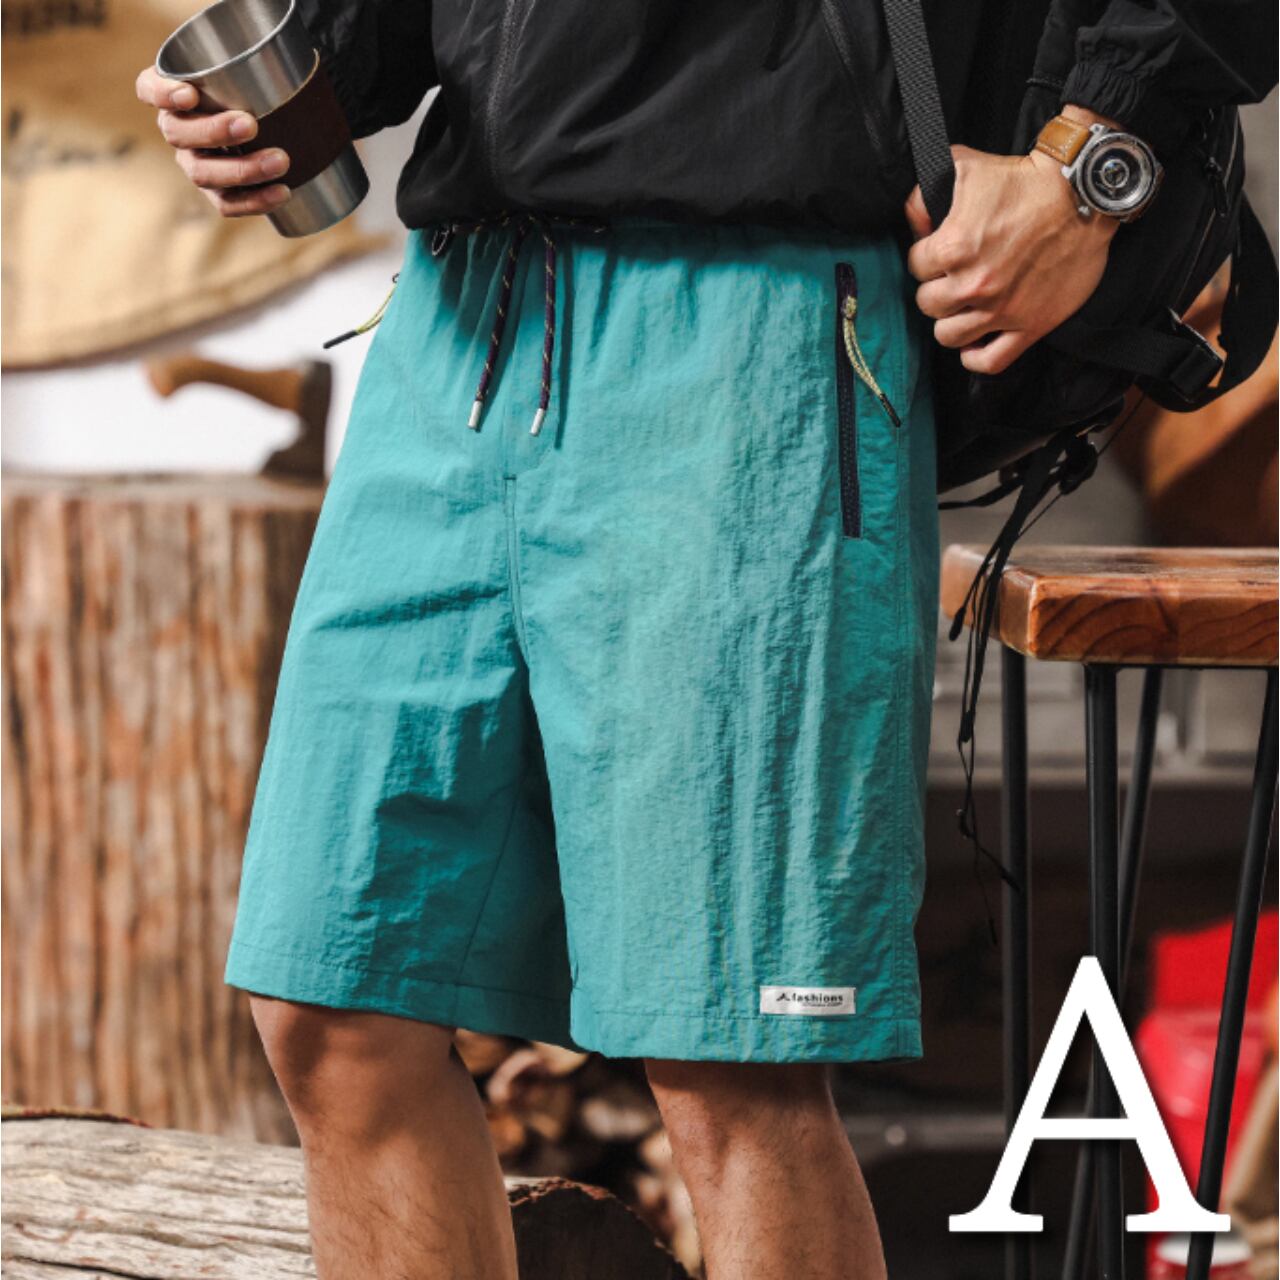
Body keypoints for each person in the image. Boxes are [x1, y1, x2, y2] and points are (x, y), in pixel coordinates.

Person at [136, 2, 1274, 1275]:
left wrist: (1091, 164)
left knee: (733, 1062)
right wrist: (322, 73)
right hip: (456, 317)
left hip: (749, 315)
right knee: (336, 1004)